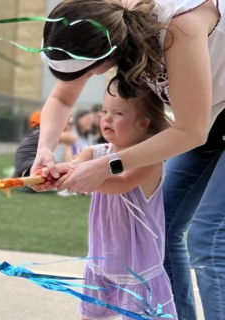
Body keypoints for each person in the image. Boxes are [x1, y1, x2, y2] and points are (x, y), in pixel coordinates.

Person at [31, 0, 224, 319]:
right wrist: (45, 150)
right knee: (161, 231)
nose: (91, 77)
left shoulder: (180, 26)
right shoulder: (103, 24)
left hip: (202, 125)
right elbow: (62, 97)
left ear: (108, 54)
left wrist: (106, 165)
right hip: (209, 120)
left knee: (209, 238)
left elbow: (191, 131)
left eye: (90, 70)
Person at [49, 86, 175, 320]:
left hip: (137, 261)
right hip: (103, 254)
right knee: (92, 314)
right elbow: (72, 168)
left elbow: (121, 184)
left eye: (118, 113)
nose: (106, 118)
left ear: (144, 123)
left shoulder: (149, 159)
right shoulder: (93, 153)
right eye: (105, 111)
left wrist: (83, 178)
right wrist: (53, 174)